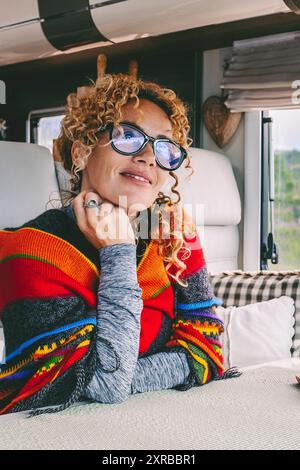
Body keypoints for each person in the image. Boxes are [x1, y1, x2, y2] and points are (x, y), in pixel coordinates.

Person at [0, 73, 241, 417]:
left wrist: (129, 379)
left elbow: (208, 351)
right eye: (127, 136)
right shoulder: (28, 251)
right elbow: (105, 385)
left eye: (163, 147)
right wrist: (118, 252)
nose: (148, 157)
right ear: (83, 150)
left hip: (158, 419)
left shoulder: (173, 234)